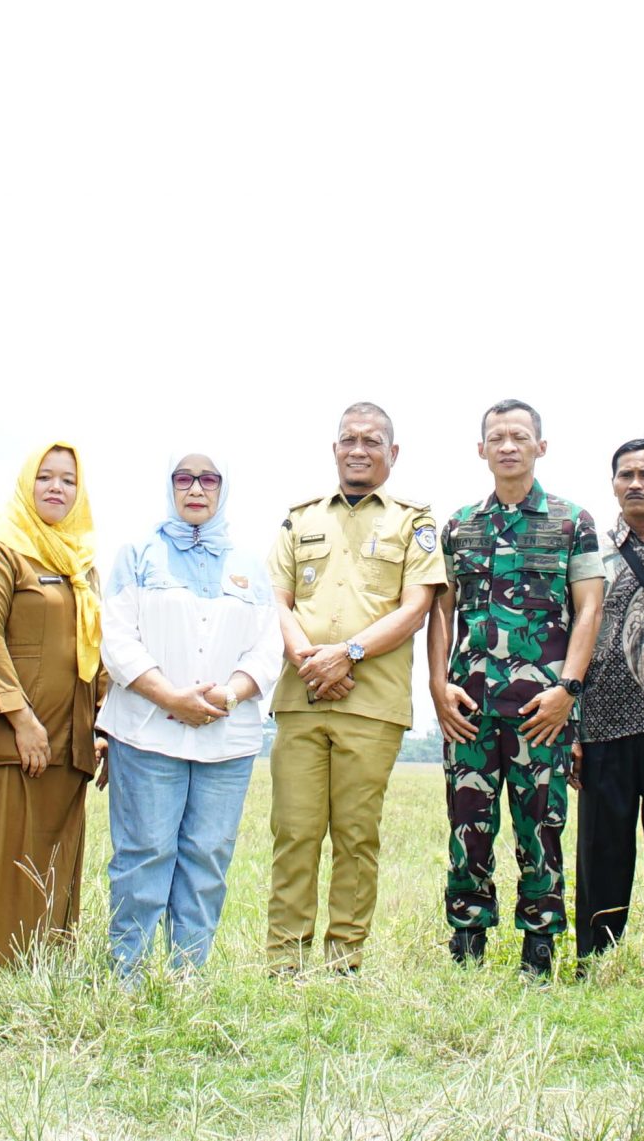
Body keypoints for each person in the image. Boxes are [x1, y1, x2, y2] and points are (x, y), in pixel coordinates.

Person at [264, 402, 445, 974]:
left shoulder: (414, 524)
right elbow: (276, 600)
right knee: (293, 831)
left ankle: (343, 961)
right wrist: (307, 658)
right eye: (349, 440)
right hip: (300, 698)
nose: (359, 449)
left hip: (371, 705)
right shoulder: (299, 519)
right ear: (335, 449)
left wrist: (348, 654)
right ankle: (284, 961)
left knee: (356, 835)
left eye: (372, 441)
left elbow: (417, 607)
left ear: (392, 454)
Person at [431, 399, 604, 981]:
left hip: (541, 709)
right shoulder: (458, 527)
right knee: (468, 825)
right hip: (470, 707)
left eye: (520, 436)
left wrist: (568, 691)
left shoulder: (571, 521)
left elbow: (589, 610)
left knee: (542, 826)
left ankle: (539, 948)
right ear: (481, 450)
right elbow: (442, 612)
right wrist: (438, 685)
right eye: (497, 437)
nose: (508, 446)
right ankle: (467, 940)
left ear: (541, 446)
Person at [97, 451, 279, 973]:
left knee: (207, 858)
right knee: (146, 853)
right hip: (148, 731)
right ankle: (126, 976)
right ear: (169, 487)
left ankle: (186, 977)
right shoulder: (137, 555)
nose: (195, 489)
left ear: (224, 489)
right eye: (183, 478)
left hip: (227, 739)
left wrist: (229, 696)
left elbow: (267, 650)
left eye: (208, 480)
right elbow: (118, 641)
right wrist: (170, 697)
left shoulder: (249, 564)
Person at [0, 442, 106, 974]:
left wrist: (98, 724)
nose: (57, 488)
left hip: (65, 743)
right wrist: (21, 720)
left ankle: (41, 969)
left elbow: (95, 646)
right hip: (5, 741)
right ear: (25, 484)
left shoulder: (79, 561)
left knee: (49, 859)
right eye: (45, 477)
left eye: (68, 480)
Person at [572, 438, 644, 963]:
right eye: (625, 475)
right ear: (613, 485)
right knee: (602, 852)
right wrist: (571, 722)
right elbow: (569, 632)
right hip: (601, 723)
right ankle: (597, 959)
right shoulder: (588, 550)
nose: (635, 483)